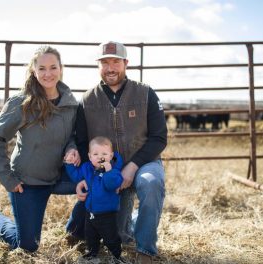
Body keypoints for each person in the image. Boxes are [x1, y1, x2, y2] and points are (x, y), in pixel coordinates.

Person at [68, 41, 168, 264]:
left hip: (143, 163)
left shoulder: (145, 93)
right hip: (107, 170)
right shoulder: (87, 100)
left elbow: (159, 138)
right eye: (105, 62)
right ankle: (130, 223)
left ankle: (146, 250)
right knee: (118, 235)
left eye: (115, 61)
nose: (110, 68)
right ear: (98, 66)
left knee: (151, 183)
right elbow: (82, 142)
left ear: (126, 64)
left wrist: (132, 166)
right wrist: (88, 177)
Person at [0, 45, 85, 252]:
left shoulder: (70, 103)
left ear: (60, 68)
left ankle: (75, 232)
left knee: (96, 185)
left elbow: (73, 136)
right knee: (28, 246)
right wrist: (7, 178)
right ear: (33, 70)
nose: (48, 73)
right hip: (29, 181)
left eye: (53, 67)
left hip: (60, 176)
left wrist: (72, 148)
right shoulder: (22, 103)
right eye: (42, 68)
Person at [64, 136, 125, 263]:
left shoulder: (114, 171)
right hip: (90, 211)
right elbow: (76, 176)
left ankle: (117, 256)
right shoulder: (87, 168)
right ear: (90, 156)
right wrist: (69, 164)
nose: (99, 157)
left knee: (111, 237)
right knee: (90, 236)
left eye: (104, 154)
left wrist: (108, 171)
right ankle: (92, 254)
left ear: (111, 155)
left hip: (107, 213)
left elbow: (112, 184)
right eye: (95, 154)